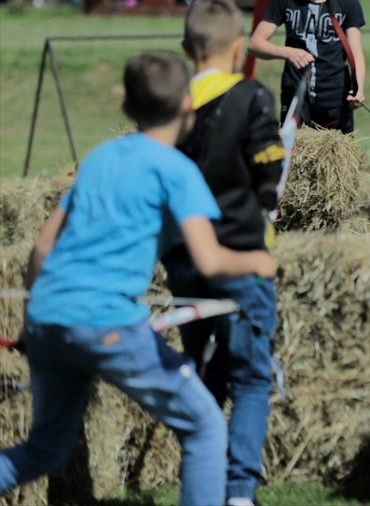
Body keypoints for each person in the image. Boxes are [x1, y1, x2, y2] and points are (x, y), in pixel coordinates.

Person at [0, 51, 277, 506]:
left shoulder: (99, 158)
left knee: (45, 450)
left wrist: (32, 324)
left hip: (46, 319)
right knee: (205, 425)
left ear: (127, 109)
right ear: (188, 104)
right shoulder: (177, 170)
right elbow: (209, 261)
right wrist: (258, 264)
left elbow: (42, 248)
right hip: (107, 324)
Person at [165, 0, 284, 506]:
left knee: (201, 372)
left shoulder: (171, 105)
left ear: (186, 48)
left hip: (186, 261)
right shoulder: (253, 97)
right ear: (241, 47)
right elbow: (269, 173)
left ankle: (204, 483)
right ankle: (237, 492)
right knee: (253, 377)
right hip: (239, 257)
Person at [249, 0, 366, 133]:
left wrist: (358, 89)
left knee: (335, 162)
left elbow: (356, 52)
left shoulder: (347, 1)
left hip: (335, 98)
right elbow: (255, 44)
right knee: (294, 158)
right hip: (296, 96)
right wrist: (288, 52)